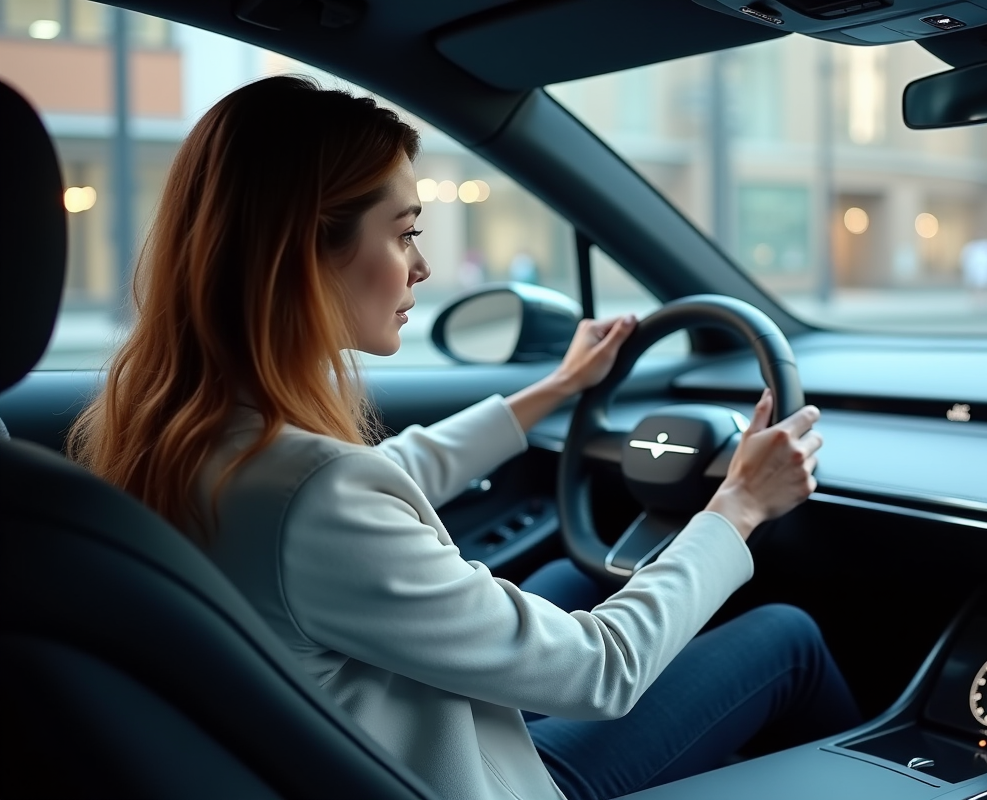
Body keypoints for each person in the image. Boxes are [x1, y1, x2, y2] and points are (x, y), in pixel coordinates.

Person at [67, 76, 858, 800]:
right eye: (403, 232)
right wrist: (739, 505)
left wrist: (547, 394)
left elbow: (370, 480)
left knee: (572, 575)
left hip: (363, 752)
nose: (421, 267)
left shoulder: (174, 432)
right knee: (786, 637)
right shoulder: (312, 493)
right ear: (304, 253)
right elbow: (600, 669)